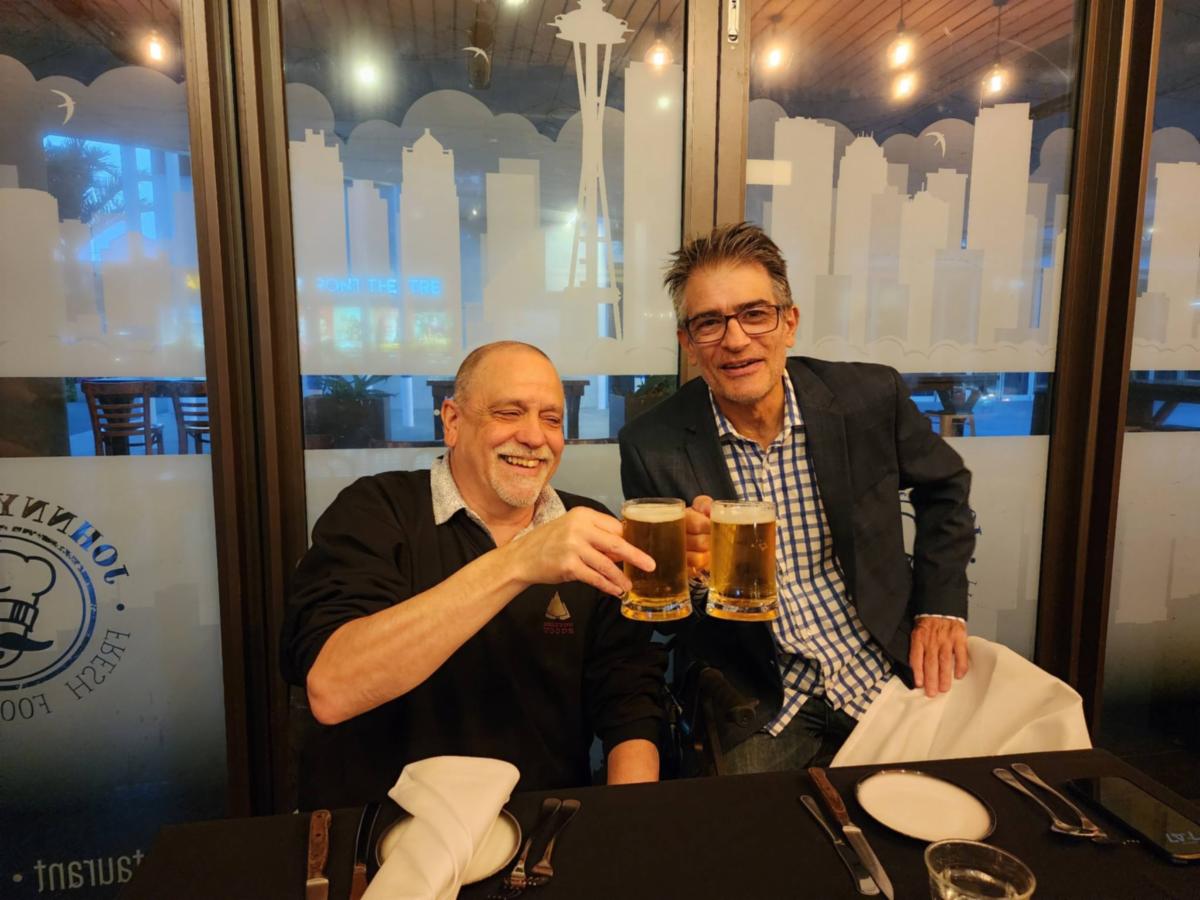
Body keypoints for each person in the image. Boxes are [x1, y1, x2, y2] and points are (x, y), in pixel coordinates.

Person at [619, 223, 975, 774]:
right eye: (709, 322)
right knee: (753, 828)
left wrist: (940, 606)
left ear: (789, 322)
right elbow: (671, 616)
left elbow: (945, 486)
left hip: (880, 664)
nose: (735, 340)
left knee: (953, 800)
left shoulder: (868, 397)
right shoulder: (653, 445)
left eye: (754, 314)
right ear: (688, 343)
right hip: (759, 691)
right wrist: (693, 572)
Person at [282, 341, 666, 808]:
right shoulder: (376, 511)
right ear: (452, 421)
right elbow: (332, 688)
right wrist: (519, 561)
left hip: (543, 824)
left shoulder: (588, 527)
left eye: (551, 419)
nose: (534, 437)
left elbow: (629, 701)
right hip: (388, 828)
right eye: (509, 413)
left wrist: (628, 823)